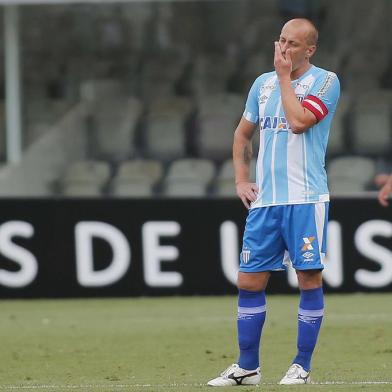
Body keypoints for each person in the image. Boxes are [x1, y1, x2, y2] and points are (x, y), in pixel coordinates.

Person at [207, 18, 340, 387]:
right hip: (266, 203)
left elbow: (298, 122)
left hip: (305, 198)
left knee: (308, 278)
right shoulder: (261, 84)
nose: (284, 49)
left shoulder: (326, 81)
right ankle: (247, 367)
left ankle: (301, 366)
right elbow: (241, 135)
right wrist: (240, 179)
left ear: (309, 49)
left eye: (293, 44)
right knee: (248, 282)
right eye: (281, 40)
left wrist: (284, 77)